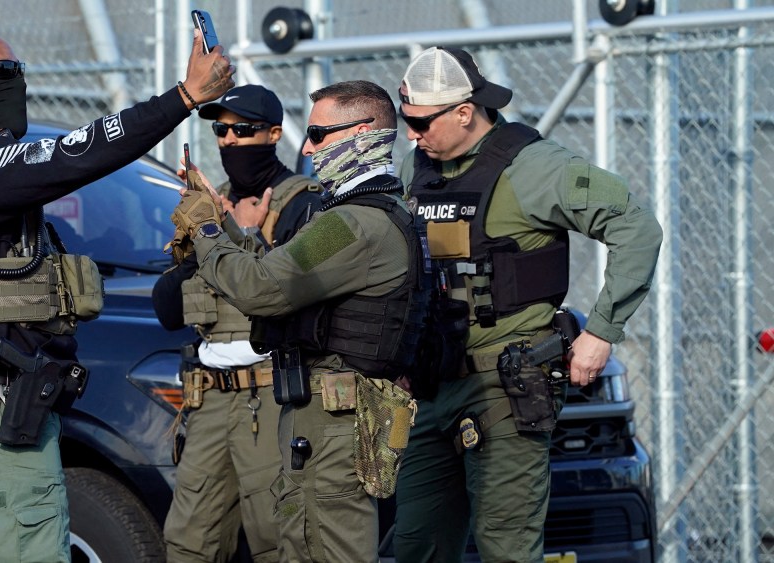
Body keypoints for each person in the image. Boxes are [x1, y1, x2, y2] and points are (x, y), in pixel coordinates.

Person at [0, 26, 233, 562]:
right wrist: (183, 98)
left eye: (19, 70)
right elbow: (76, 154)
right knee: (27, 546)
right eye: (2, 72)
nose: (15, 83)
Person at [392, 46, 663, 562]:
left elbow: (636, 227)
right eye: (407, 120)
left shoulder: (534, 167)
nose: (411, 134)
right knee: (415, 545)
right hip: (432, 384)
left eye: (421, 122)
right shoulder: (417, 168)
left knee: (505, 544)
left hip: (505, 383)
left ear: (465, 112)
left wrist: (602, 331)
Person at [168, 79, 425, 563]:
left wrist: (205, 228)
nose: (308, 147)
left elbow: (261, 287)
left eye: (320, 135)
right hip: (327, 414)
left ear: (363, 133)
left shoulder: (350, 225)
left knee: (318, 545)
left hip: (334, 421)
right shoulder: (367, 214)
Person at [153, 84, 322, 563]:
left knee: (279, 537)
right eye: (221, 130)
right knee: (189, 540)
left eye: (243, 130)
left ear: (273, 134)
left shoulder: (305, 204)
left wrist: (246, 237)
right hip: (209, 399)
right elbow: (167, 309)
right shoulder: (210, 208)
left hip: (272, 397)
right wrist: (208, 234)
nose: (229, 140)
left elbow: (293, 296)